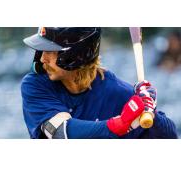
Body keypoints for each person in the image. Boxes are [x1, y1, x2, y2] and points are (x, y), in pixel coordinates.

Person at [21, 27, 178, 139]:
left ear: (75, 54)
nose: (42, 59)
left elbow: (169, 137)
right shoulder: (35, 85)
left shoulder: (118, 92)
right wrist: (118, 124)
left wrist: (150, 109)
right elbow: (60, 133)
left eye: (49, 51)